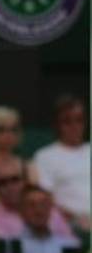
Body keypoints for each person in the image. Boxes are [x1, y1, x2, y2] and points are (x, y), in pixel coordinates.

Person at [33, 94, 90, 232]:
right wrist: (75, 218)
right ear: (57, 125)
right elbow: (45, 199)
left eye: (79, 120)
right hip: (69, 226)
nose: (74, 126)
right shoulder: (45, 156)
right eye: (67, 121)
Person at [0, 157, 72, 240]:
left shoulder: (50, 211)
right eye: (2, 183)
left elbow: (71, 245)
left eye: (15, 180)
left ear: (26, 182)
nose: (9, 187)